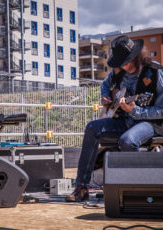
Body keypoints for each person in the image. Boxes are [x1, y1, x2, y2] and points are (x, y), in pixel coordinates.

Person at [66, 35, 163, 202]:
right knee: (92, 128)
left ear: (137, 56)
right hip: (124, 120)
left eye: (128, 61)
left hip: (149, 123)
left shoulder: (155, 73)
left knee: (128, 140)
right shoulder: (118, 72)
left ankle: (135, 188)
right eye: (121, 63)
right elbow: (105, 85)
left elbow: (161, 109)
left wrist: (137, 111)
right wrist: (106, 97)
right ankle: (81, 186)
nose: (124, 66)